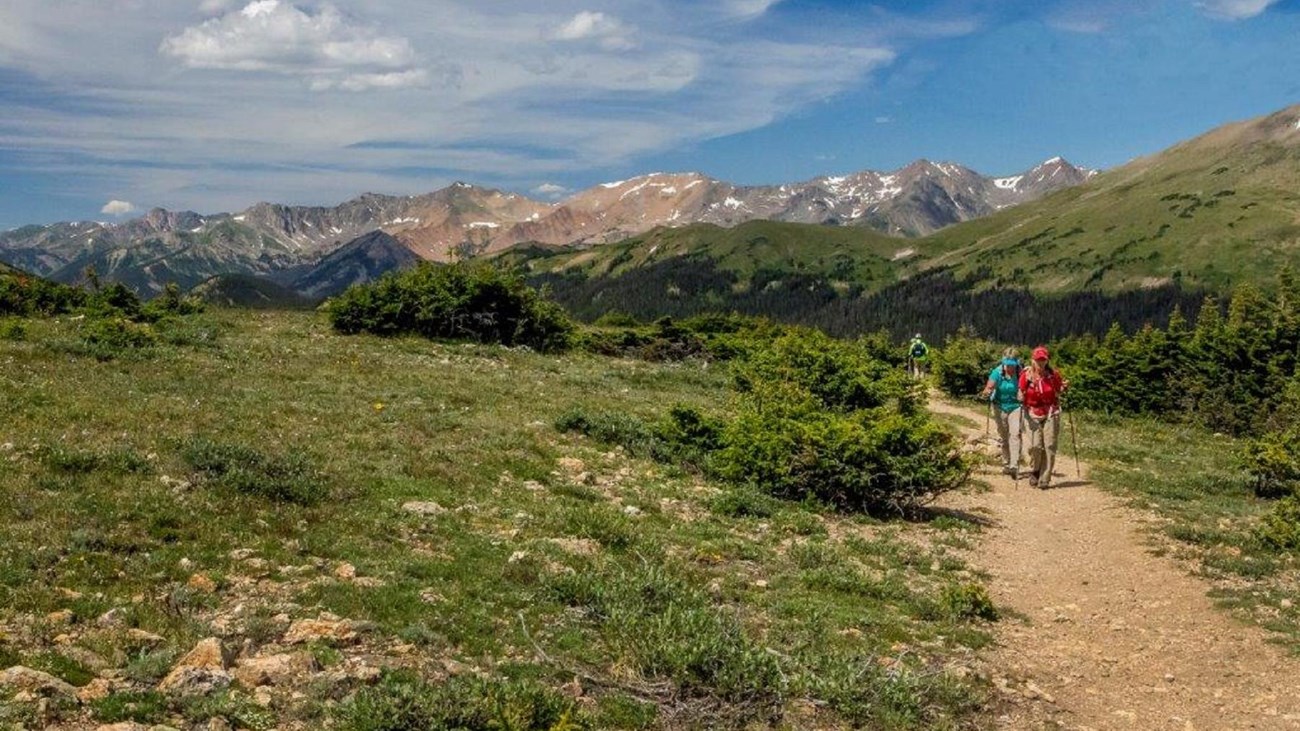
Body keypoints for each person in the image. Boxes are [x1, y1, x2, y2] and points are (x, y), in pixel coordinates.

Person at [1018, 345, 1069, 489]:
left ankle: (1045, 478)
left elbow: (1059, 390)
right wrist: (1020, 396)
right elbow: (1020, 391)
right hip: (1032, 412)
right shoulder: (1026, 375)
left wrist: (1064, 387)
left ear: (1047, 360)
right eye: (1038, 360)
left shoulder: (1053, 375)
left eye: (1043, 360)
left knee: (1050, 445)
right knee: (1035, 446)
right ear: (1033, 360)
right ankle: (1035, 469)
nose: (1041, 363)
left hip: (1051, 411)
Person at [980, 348, 1023, 476]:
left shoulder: (1021, 373)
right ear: (1003, 362)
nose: (1010, 367)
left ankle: (1014, 465)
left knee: (1015, 435)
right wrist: (987, 392)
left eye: (1012, 365)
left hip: (1016, 406)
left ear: (1016, 363)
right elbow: (989, 386)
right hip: (999, 406)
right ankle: (1006, 463)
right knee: (1004, 437)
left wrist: (1022, 394)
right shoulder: (997, 372)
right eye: (1007, 364)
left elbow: (1024, 387)